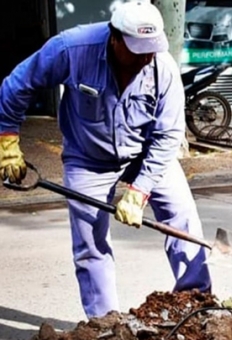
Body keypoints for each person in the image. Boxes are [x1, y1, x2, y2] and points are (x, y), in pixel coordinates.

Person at [0, 1, 212, 319]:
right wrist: (7, 142)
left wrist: (140, 190)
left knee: (182, 217)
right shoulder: (72, 48)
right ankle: (105, 324)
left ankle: (197, 307)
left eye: (151, 49)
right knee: (90, 242)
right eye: (138, 49)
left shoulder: (162, 67)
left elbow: (168, 136)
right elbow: (17, 85)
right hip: (88, 158)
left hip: (146, 152)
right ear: (115, 38)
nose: (145, 57)